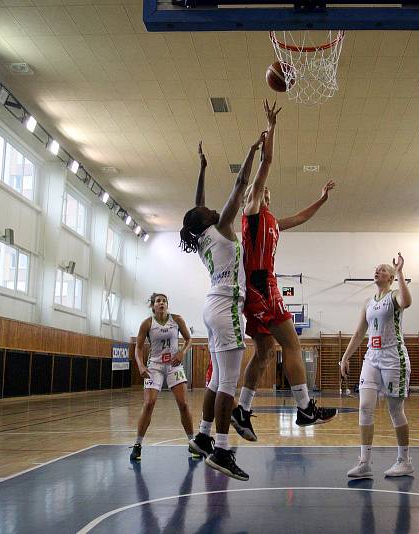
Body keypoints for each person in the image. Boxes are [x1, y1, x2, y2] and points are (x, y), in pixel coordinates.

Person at [230, 100, 336, 442]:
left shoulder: (273, 220)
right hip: (261, 284)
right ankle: (305, 407)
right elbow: (268, 162)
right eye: (260, 190)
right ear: (253, 196)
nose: (265, 191)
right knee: (291, 343)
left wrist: (321, 199)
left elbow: (301, 218)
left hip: (259, 287)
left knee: (264, 353)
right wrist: (272, 128)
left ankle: (242, 410)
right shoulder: (253, 211)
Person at [180, 134, 265, 481]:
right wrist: (251, 150)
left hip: (212, 307)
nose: (213, 207)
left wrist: (202, 169)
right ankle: (223, 450)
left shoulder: (201, 236)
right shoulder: (223, 226)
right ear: (206, 220)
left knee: (217, 379)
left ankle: (202, 435)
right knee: (229, 381)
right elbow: (240, 183)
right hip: (227, 305)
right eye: (209, 211)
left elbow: (196, 206)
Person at [340, 254, 413, 478]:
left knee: (394, 409)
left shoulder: (394, 296)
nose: (377, 271)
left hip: (394, 356)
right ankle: (364, 462)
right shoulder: (368, 302)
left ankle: (404, 460)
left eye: (382, 269)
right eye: (376, 269)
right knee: (364, 407)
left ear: (390, 277)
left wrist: (400, 271)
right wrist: (344, 357)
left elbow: (407, 302)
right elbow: (360, 332)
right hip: (372, 356)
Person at [130, 293, 194, 462]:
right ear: (153, 306)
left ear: (167, 305)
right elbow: (138, 348)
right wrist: (141, 365)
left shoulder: (177, 320)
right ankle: (137, 445)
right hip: (155, 367)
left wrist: (182, 352)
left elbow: (189, 339)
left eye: (164, 301)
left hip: (174, 366)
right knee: (149, 403)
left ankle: (192, 442)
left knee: (183, 404)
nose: (162, 303)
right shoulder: (147, 323)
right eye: (158, 301)